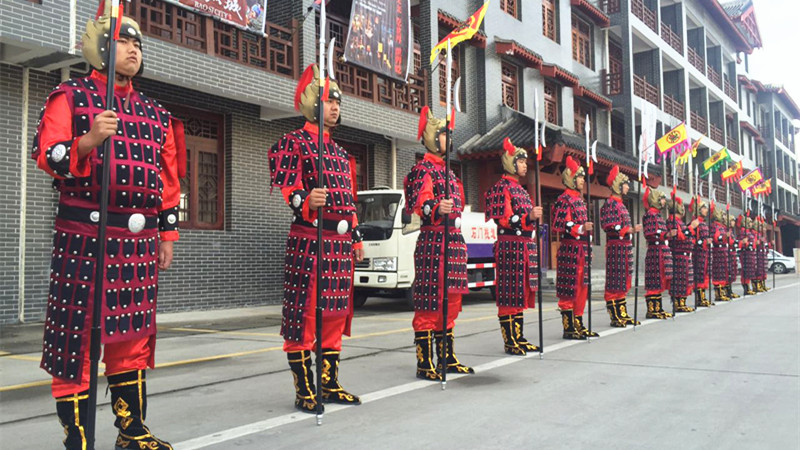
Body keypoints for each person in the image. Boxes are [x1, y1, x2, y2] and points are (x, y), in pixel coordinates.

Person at [32, 4, 183, 448]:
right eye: (124, 41)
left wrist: (167, 233)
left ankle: (131, 431)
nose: (134, 49)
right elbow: (47, 155)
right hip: (84, 236)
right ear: (99, 46)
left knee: (131, 337)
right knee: (75, 339)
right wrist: (89, 140)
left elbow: (167, 180)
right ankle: (77, 438)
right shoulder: (71, 96)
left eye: (138, 43)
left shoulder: (155, 113)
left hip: (136, 243)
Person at [268, 64, 363, 413]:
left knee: (335, 315)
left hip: (339, 245)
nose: (335, 107)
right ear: (310, 101)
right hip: (310, 238)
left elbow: (348, 200)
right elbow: (289, 189)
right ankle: (304, 388)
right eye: (327, 100)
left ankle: (329, 381)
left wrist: (354, 235)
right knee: (304, 315)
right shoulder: (291, 143)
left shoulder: (340, 154)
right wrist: (306, 200)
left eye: (338, 102)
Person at [405, 106, 473, 380]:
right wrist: (435, 206)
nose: (449, 137)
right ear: (432, 136)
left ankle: (447, 356)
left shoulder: (452, 175)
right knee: (429, 303)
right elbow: (420, 203)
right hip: (434, 241)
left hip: (454, 243)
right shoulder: (422, 170)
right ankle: (425, 362)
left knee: (451, 302)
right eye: (445, 133)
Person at [484, 138, 542, 355]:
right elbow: (506, 219)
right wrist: (528, 216)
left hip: (525, 246)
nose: (525, 165)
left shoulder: (521, 190)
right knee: (510, 293)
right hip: (510, 246)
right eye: (520, 161)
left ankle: (518, 336)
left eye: (526, 162)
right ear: (510, 162)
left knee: (520, 292)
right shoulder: (500, 189)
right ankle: (510, 341)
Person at [552, 156, 596, 339]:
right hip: (570, 248)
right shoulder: (564, 199)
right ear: (570, 178)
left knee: (582, 287)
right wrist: (580, 228)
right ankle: (568, 326)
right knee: (569, 287)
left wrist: (589, 247)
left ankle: (578, 322)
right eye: (579, 177)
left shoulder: (580, 201)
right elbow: (562, 223)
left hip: (582, 249)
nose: (582, 180)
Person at [599, 165, 642, 327]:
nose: (627, 187)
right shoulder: (610, 204)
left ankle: (622, 313)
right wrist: (628, 229)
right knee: (614, 280)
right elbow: (609, 225)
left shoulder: (621, 205)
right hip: (615, 247)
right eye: (625, 183)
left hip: (624, 247)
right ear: (618, 185)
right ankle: (614, 316)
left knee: (623, 280)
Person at [642, 187, 674, 319]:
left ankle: (658, 308)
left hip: (661, 250)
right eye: (661, 199)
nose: (663, 202)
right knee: (654, 279)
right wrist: (666, 234)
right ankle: (652, 309)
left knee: (660, 279)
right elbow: (650, 233)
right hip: (655, 251)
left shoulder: (658, 216)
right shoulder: (649, 215)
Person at [667, 198, 698, 313]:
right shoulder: (672, 221)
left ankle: (682, 302)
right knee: (679, 279)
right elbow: (680, 236)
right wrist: (691, 227)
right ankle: (677, 303)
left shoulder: (679, 221)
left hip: (685, 255)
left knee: (685, 279)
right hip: (678, 254)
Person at [690, 197, 713, 307]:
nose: (706, 210)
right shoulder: (695, 222)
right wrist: (703, 242)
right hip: (698, 253)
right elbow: (692, 239)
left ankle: (703, 296)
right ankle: (699, 298)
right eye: (704, 208)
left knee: (705, 274)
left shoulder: (704, 223)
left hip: (705, 253)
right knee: (699, 275)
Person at [710, 206, 731, 301]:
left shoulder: (722, 227)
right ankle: (718, 293)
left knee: (723, 272)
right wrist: (724, 237)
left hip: (723, 252)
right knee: (718, 273)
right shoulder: (714, 226)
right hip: (717, 252)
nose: (723, 217)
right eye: (722, 215)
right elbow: (716, 239)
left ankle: (723, 291)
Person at [739, 215, 757, 295]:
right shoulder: (743, 232)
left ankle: (748, 287)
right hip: (745, 253)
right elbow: (741, 243)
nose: (751, 223)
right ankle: (746, 288)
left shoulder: (748, 232)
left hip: (750, 253)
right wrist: (746, 243)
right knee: (745, 271)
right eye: (749, 222)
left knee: (749, 270)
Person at [727, 216, 741, 299]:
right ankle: (727, 291)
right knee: (728, 272)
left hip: (732, 252)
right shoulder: (726, 230)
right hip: (728, 253)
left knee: (732, 272)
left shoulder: (731, 231)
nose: (733, 222)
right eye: (732, 220)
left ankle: (730, 290)